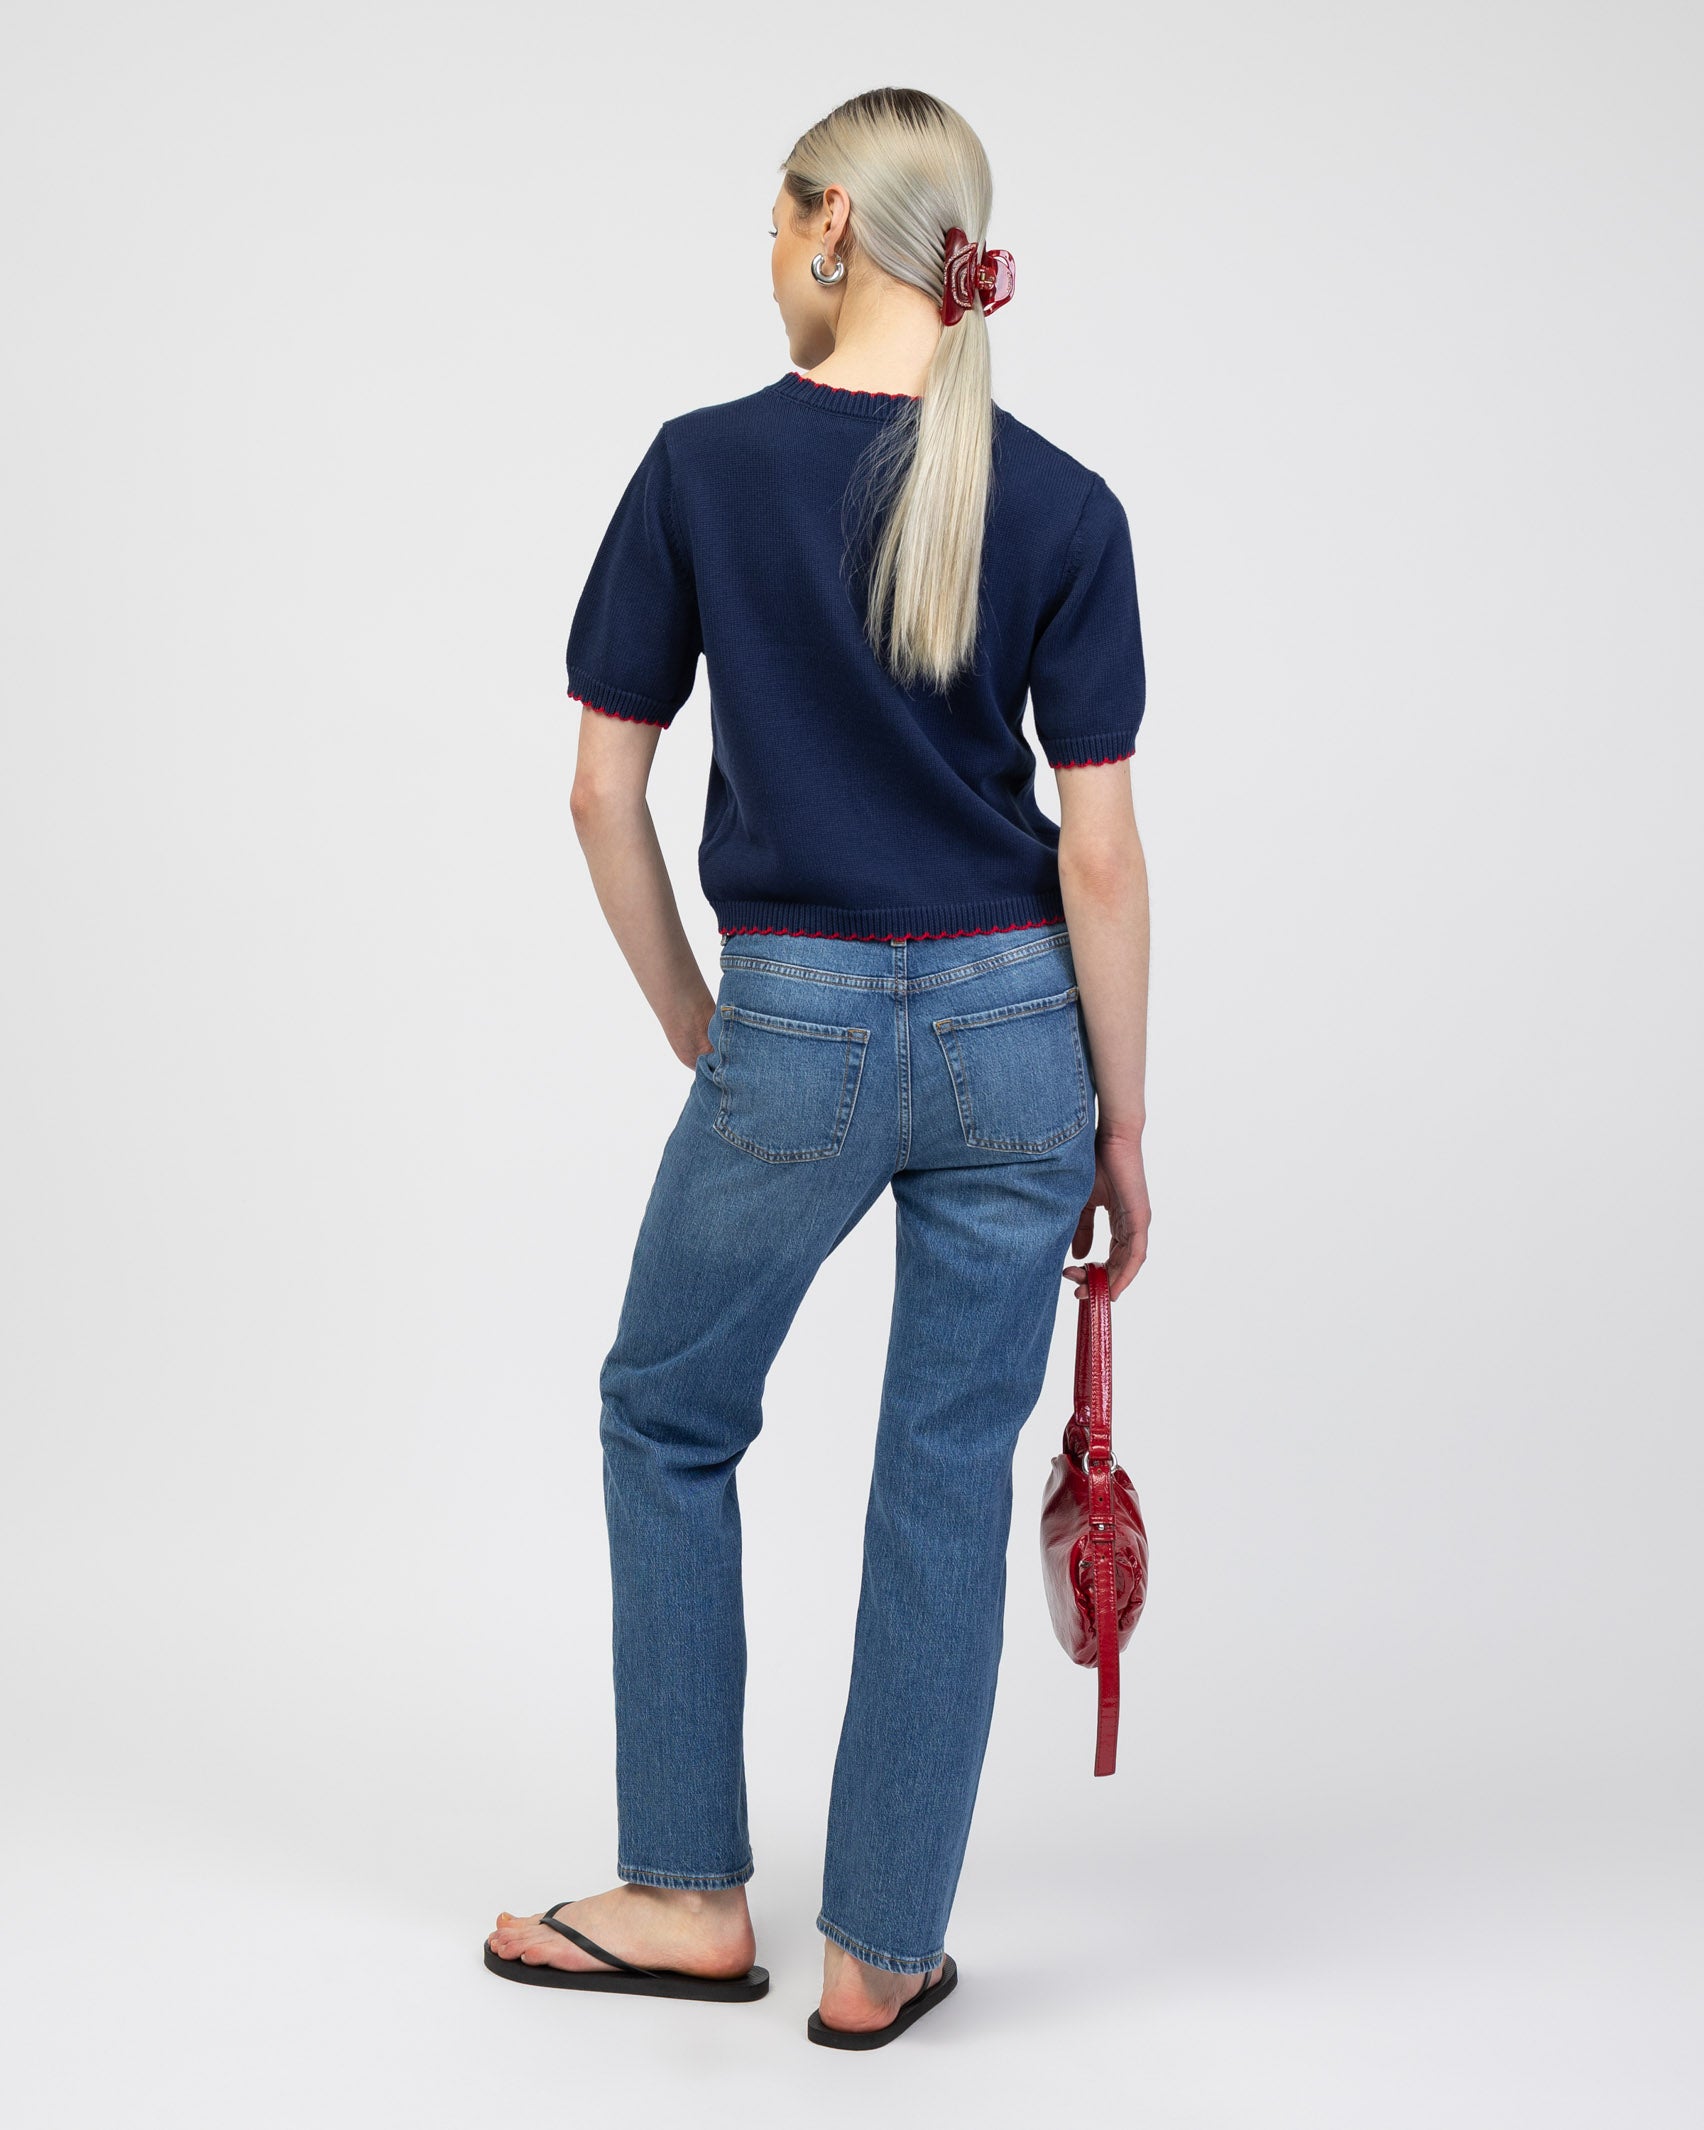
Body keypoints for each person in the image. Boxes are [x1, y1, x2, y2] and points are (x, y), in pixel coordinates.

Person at [484, 85, 1151, 2049]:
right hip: (1021, 1033)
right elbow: (1101, 857)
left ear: (833, 225)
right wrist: (1120, 1122)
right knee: (945, 1478)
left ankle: (690, 1894)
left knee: (667, 1415)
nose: (768, 257)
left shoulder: (700, 470)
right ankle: (879, 1951)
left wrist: (704, 1023)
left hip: (795, 1014)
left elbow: (601, 791)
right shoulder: (1066, 505)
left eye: (775, 224)